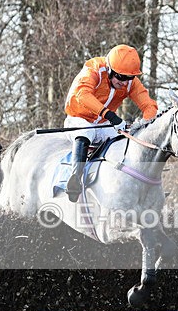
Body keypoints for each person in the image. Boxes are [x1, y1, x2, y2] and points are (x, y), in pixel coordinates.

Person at [63, 44, 158, 202]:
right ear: (109, 69)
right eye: (121, 77)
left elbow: (149, 106)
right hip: (79, 119)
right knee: (86, 131)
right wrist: (112, 116)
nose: (124, 82)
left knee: (124, 140)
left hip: (103, 123)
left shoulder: (129, 82)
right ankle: (75, 178)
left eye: (129, 78)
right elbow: (83, 95)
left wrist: (146, 124)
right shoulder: (93, 70)